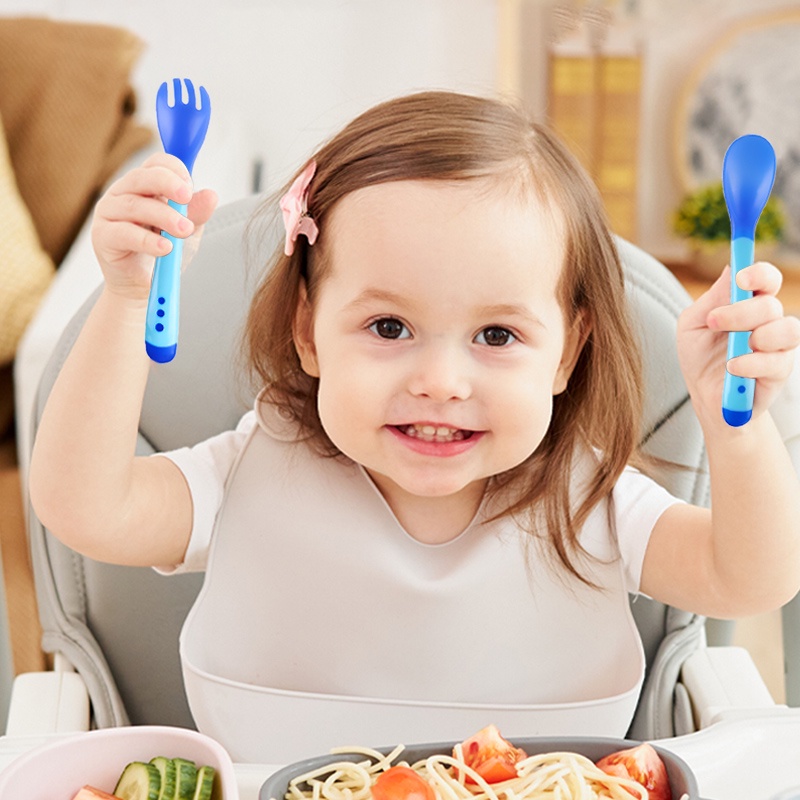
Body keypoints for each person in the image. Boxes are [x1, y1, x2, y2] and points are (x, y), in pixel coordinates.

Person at [28, 91, 800, 761]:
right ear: (308, 331)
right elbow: (83, 506)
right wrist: (128, 302)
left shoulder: (590, 498)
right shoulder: (247, 474)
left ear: (568, 355)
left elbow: (751, 578)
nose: (439, 382)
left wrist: (735, 431)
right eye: (390, 327)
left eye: (497, 337)